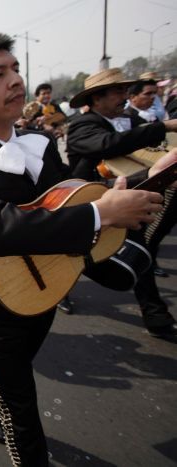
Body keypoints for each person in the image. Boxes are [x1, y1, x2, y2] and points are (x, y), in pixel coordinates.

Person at [0, 32, 175, 466]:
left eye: (16, 69)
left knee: (15, 367)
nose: (16, 81)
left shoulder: (37, 145)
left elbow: (66, 201)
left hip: (46, 287)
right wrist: (100, 215)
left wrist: (136, 186)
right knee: (21, 417)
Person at [66, 68, 177, 338]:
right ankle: (59, 290)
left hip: (122, 199)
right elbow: (108, 145)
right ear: (96, 99)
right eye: (117, 91)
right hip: (88, 204)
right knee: (68, 256)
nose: (123, 97)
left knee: (142, 252)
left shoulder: (127, 121)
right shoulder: (83, 125)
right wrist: (163, 126)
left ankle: (156, 316)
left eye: (125, 91)